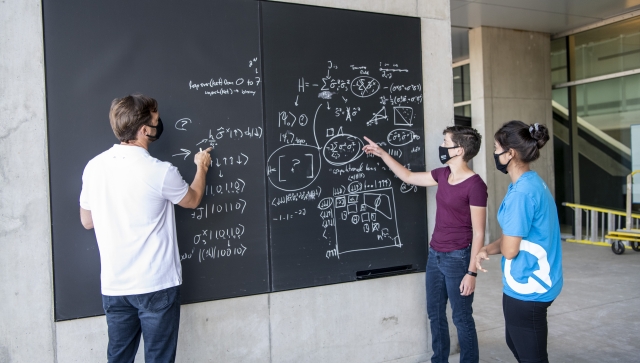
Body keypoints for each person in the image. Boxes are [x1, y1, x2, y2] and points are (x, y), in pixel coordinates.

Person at [79, 94, 212, 363]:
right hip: (156, 284)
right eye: (155, 119)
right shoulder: (160, 171)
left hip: (115, 286)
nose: (158, 123)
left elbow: (87, 221)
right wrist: (202, 167)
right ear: (144, 130)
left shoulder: (94, 167)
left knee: (118, 358)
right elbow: (193, 199)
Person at [363, 126, 487, 363]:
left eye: (445, 142)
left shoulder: (475, 185)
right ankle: (438, 360)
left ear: (459, 150)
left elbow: (479, 233)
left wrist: (471, 272)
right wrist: (382, 153)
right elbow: (408, 176)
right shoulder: (442, 175)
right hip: (435, 255)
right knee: (435, 314)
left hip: (458, 258)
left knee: (461, 317)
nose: (441, 146)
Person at [475, 120, 563, 363]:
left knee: (531, 357)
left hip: (529, 287)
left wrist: (492, 249)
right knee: (515, 343)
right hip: (534, 281)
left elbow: (511, 250)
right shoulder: (530, 182)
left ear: (510, 153)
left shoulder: (522, 193)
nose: (494, 153)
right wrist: (487, 248)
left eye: (495, 147)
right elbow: (513, 237)